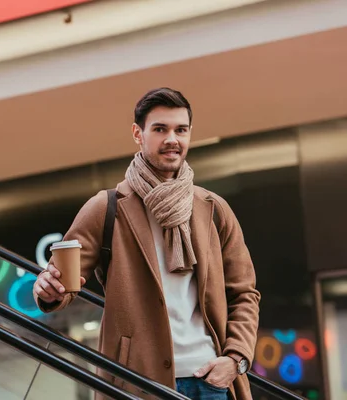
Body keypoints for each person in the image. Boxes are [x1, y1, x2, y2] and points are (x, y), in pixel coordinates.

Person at [33, 87, 260, 400]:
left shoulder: (213, 209)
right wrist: (46, 289)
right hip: (137, 383)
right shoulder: (107, 207)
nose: (172, 139)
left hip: (211, 382)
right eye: (160, 129)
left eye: (180, 130)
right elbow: (60, 282)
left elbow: (244, 293)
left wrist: (235, 360)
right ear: (138, 134)